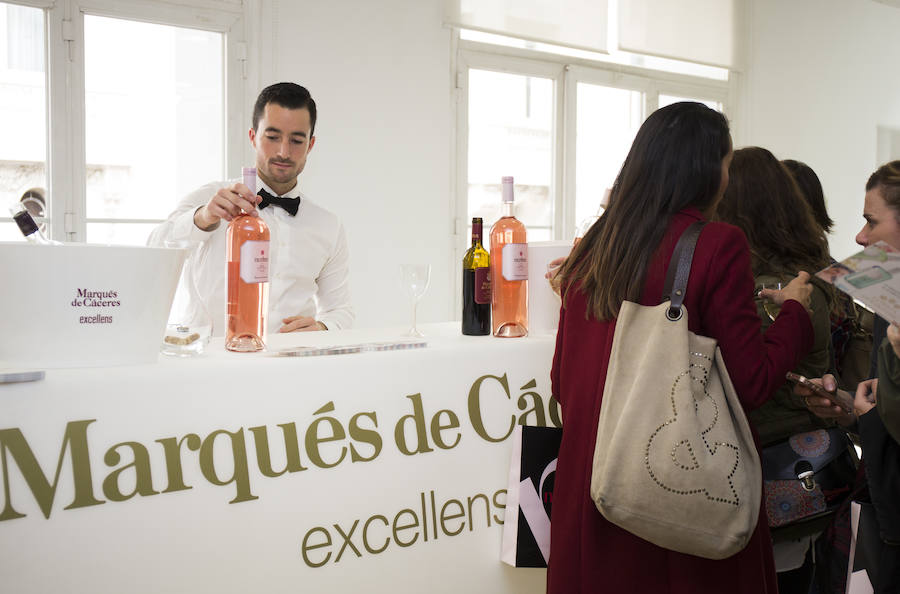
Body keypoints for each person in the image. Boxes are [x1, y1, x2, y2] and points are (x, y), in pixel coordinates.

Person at [547, 102, 814, 593]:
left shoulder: (594, 245)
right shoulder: (717, 244)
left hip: (593, 482)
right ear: (706, 170)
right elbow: (750, 383)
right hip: (672, 488)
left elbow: (561, 384)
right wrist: (796, 314)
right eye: (728, 165)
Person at [716, 147, 845, 592]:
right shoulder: (803, 278)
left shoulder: (778, 289)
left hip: (775, 471)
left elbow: (752, 375)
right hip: (781, 468)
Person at [148, 82, 353, 334]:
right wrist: (203, 217)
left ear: (310, 145)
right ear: (253, 137)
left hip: (291, 364)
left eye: (296, 140)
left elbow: (341, 311)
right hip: (212, 361)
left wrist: (323, 326)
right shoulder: (209, 197)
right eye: (273, 137)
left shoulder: (328, 225)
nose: (283, 152)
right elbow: (154, 247)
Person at [800, 161, 900, 593]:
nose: (860, 238)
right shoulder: (886, 301)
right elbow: (881, 406)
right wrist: (849, 412)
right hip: (886, 506)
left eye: (871, 221)